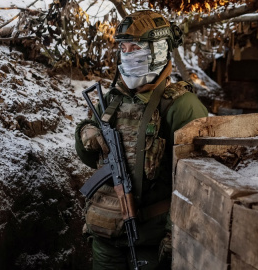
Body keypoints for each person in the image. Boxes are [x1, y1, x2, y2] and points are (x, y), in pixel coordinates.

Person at [75, 10, 208, 269]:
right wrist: (85, 133)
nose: (127, 53)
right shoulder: (113, 99)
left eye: (134, 47)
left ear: (158, 50)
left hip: (149, 240)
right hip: (104, 237)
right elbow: (90, 158)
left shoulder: (182, 106)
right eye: (123, 48)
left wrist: (174, 234)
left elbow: (194, 182)